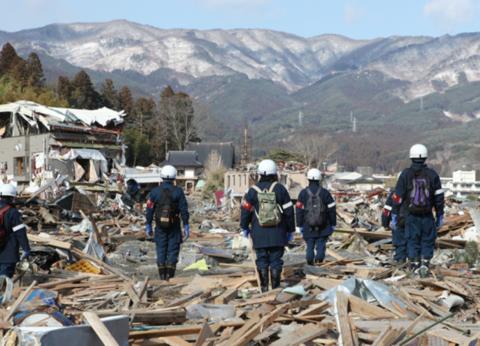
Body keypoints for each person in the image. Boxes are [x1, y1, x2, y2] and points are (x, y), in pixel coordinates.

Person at [240, 159, 295, 292]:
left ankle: (264, 289)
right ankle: (275, 288)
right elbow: (289, 212)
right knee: (276, 260)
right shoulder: (280, 189)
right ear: (275, 173)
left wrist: (245, 227)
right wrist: (290, 230)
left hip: (259, 232)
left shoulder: (252, 191)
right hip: (278, 232)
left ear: (259, 173)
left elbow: (245, 211)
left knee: (262, 260)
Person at [391, 144, 444, 277]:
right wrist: (440, 215)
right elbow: (439, 198)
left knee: (412, 239)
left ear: (411, 156)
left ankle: (414, 265)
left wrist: (395, 214)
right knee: (427, 240)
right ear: (425, 157)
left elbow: (398, 196)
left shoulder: (405, 174)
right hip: (427, 215)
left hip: (411, 215)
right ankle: (425, 263)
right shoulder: (432, 175)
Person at [146, 165, 190, 281]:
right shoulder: (179, 192)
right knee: (173, 250)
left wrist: (148, 225)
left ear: (161, 177)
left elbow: (149, 209)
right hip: (174, 226)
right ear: (174, 177)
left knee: (161, 249)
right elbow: (184, 210)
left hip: (160, 227)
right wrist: (186, 225)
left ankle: (161, 276)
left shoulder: (154, 192)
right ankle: (170, 277)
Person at [295, 168, 336, 265]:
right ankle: (319, 260)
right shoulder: (325, 193)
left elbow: (299, 210)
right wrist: (333, 223)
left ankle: (309, 260)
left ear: (308, 178)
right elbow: (332, 210)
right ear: (319, 179)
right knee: (321, 243)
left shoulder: (303, 193)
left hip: (308, 225)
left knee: (310, 244)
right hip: (323, 225)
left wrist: (299, 225)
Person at [0, 183, 30, 278]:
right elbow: (20, 233)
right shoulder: (12, 212)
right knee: (4, 283)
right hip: (8, 254)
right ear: (12, 198)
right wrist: (26, 249)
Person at [382, 188, 407, 264]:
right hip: (414, 222)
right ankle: (414, 262)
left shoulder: (395, 193)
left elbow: (387, 209)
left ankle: (400, 260)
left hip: (399, 221)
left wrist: (385, 222)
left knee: (399, 242)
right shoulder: (418, 190)